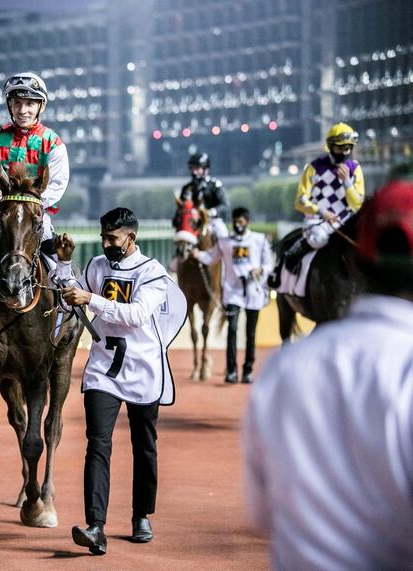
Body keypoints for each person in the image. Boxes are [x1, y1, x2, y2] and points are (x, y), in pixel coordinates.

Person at [243, 180, 413, 568]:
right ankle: (282, 277)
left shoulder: (282, 372)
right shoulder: (319, 169)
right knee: (310, 243)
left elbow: (262, 513)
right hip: (324, 222)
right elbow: (304, 198)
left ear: (359, 260)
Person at [53, 208, 186, 556]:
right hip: (103, 371)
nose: (106, 243)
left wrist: (92, 299)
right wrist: (65, 266)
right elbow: (71, 302)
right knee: (97, 443)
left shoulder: (153, 273)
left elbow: (138, 315)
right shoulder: (96, 266)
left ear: (131, 237)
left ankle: (142, 515)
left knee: (144, 446)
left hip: (144, 370)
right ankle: (95, 526)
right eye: (103, 237)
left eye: (112, 238)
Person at [0, 71, 68, 259]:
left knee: (51, 251)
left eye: (29, 104)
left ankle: (61, 283)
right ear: (9, 104)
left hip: (35, 215)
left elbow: (57, 185)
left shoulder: (53, 142)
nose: (22, 110)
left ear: (41, 106)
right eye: (17, 103)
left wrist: (24, 202)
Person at [269, 122, 365, 283]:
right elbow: (300, 201)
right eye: (340, 148)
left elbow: (357, 204)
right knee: (320, 238)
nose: (344, 152)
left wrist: (347, 182)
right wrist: (322, 212)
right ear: (330, 146)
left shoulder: (355, 169)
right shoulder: (313, 168)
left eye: (347, 148)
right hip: (318, 222)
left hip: (346, 222)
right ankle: (291, 257)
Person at [192, 207, 272, 384]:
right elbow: (211, 257)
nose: (238, 224)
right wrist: (198, 255)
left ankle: (248, 370)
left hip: (253, 291)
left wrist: (261, 270)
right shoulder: (224, 242)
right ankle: (231, 371)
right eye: (236, 221)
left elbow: (269, 264)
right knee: (233, 329)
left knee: (251, 333)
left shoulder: (259, 240)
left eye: (241, 221)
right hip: (233, 291)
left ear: (247, 222)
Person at [176, 152, 229, 239]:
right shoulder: (187, 188)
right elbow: (181, 207)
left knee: (223, 235)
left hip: (211, 221)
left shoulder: (215, 185)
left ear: (205, 169)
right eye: (192, 168)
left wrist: (211, 212)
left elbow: (224, 205)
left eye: (197, 168)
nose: (194, 172)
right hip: (191, 221)